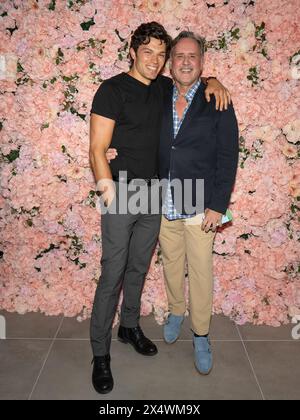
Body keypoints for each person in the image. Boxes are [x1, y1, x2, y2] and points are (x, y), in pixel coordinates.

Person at [89, 22, 230, 394]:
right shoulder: (112, 89)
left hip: (156, 193)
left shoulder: (165, 87)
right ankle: (99, 355)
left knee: (139, 266)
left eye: (160, 53)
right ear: (133, 52)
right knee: (113, 273)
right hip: (123, 193)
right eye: (147, 52)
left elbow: (195, 77)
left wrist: (215, 80)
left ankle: (129, 326)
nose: (155, 60)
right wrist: (109, 195)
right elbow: (96, 149)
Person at [158, 31, 239, 375]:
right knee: (171, 263)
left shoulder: (216, 100)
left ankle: (201, 334)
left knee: (201, 270)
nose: (186, 61)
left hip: (199, 201)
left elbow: (227, 154)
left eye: (193, 56)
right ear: (170, 62)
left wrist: (218, 205)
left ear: (202, 62)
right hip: (161, 199)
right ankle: (177, 310)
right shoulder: (157, 93)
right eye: (180, 56)